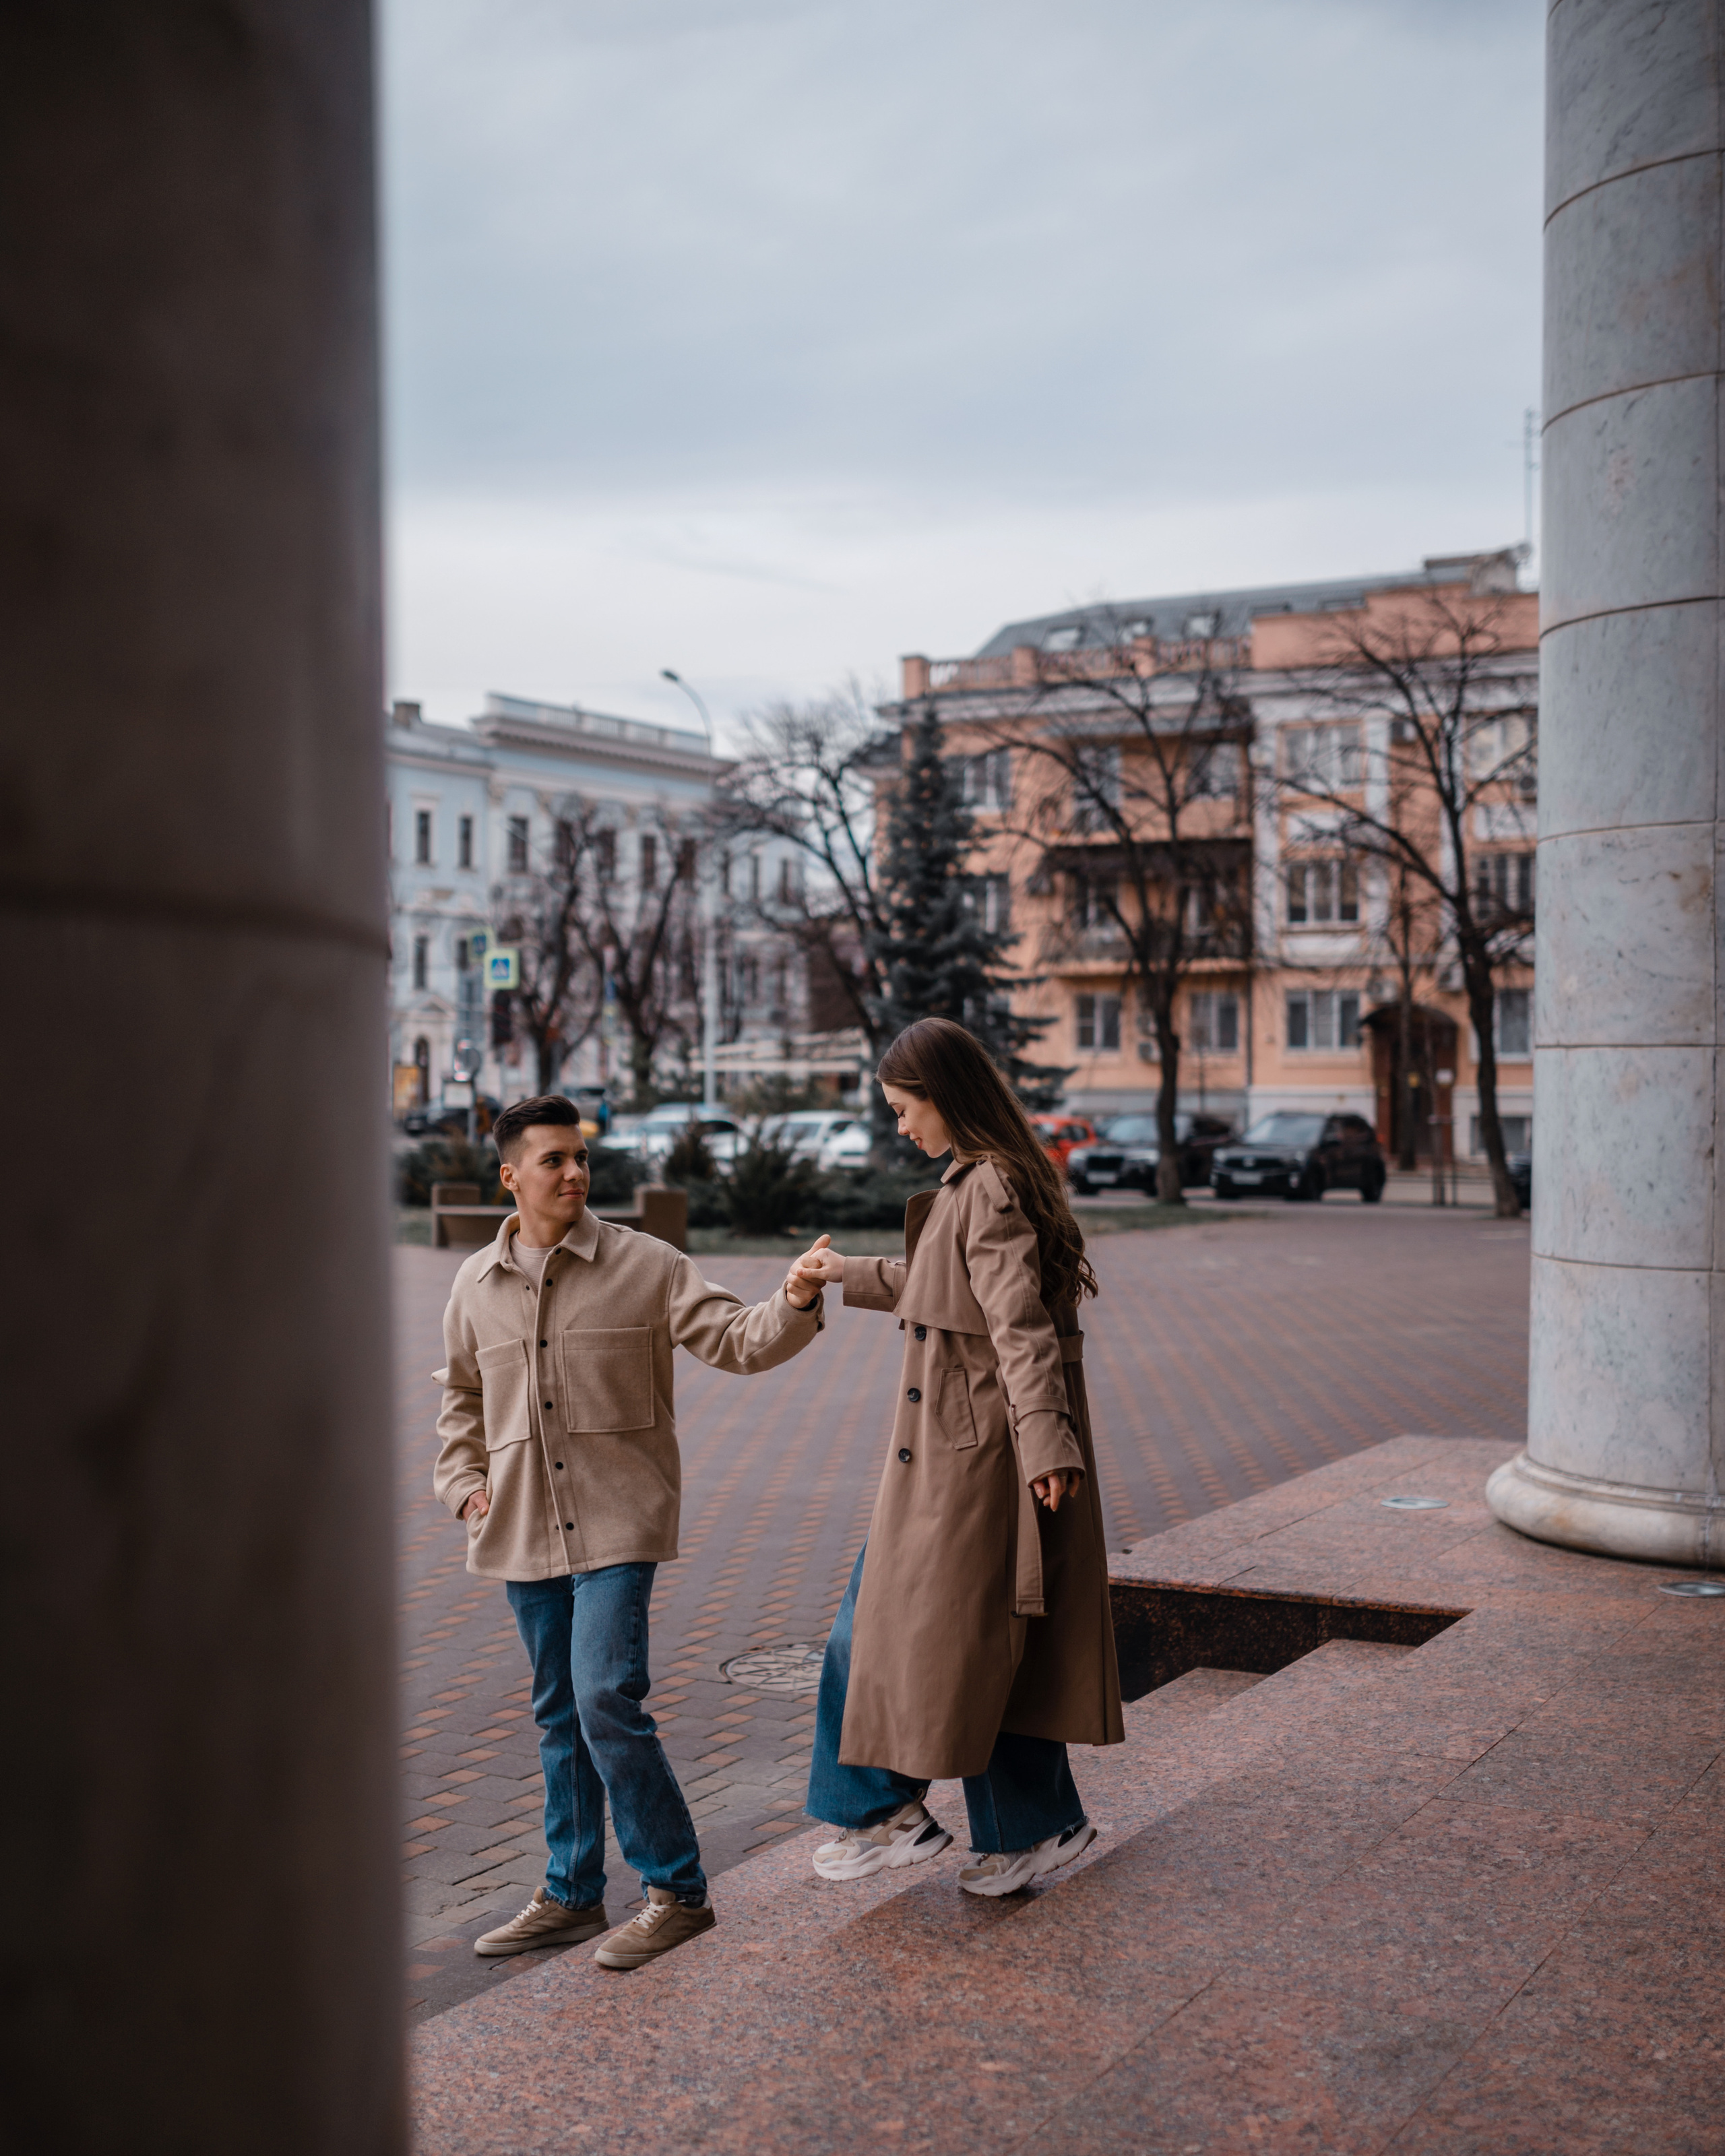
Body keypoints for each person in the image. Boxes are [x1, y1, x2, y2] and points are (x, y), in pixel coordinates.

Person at [432, 1094, 829, 1969]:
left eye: (581, 1157)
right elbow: (461, 1396)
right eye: (553, 1161)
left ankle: (677, 1890)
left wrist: (795, 1300)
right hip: (522, 1529)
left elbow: (736, 1338)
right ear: (511, 1178)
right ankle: (572, 1894)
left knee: (605, 1696)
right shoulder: (476, 1286)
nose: (575, 1172)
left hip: (618, 1525)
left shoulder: (645, 1265)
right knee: (556, 1714)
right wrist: (463, 1483)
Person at [792, 1018, 1124, 1895]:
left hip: (972, 1463)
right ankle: (1036, 1826)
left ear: (946, 1099)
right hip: (964, 1454)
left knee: (866, 1638)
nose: (901, 1126)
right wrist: (840, 1277)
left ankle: (879, 1814)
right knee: (987, 1646)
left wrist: (1049, 1444)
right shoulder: (983, 1185)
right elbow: (934, 1285)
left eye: (905, 1109)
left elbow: (1017, 1325)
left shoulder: (989, 1189)